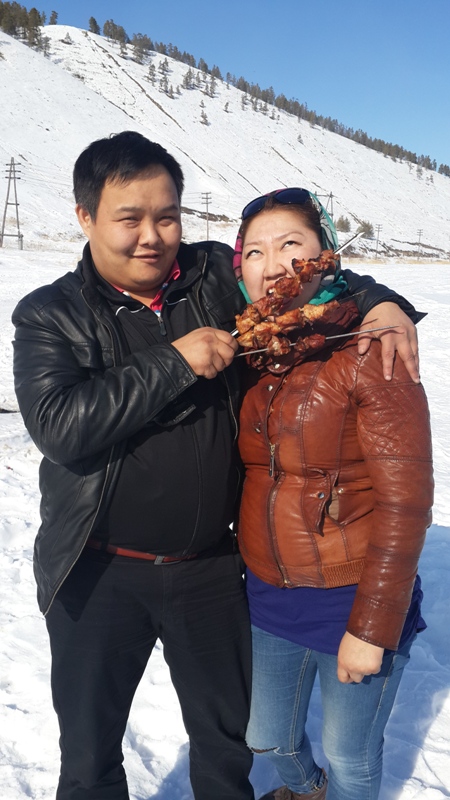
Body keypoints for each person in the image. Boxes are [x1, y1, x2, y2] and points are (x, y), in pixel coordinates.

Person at [12, 132, 423, 800]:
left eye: (167, 216)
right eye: (129, 218)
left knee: (225, 747)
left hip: (208, 569)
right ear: (85, 216)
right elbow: (61, 427)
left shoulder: (208, 276)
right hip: (99, 570)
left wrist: (380, 301)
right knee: (88, 756)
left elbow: (299, 273)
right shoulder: (50, 314)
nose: (152, 237)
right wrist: (174, 362)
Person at [233, 188, 434, 800]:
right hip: (269, 591)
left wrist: (372, 627)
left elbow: (406, 503)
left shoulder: (371, 347)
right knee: (268, 738)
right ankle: (306, 787)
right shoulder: (253, 352)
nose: (274, 265)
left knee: (352, 754)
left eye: (291, 244)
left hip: (352, 593)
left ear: (324, 254)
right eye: (255, 251)